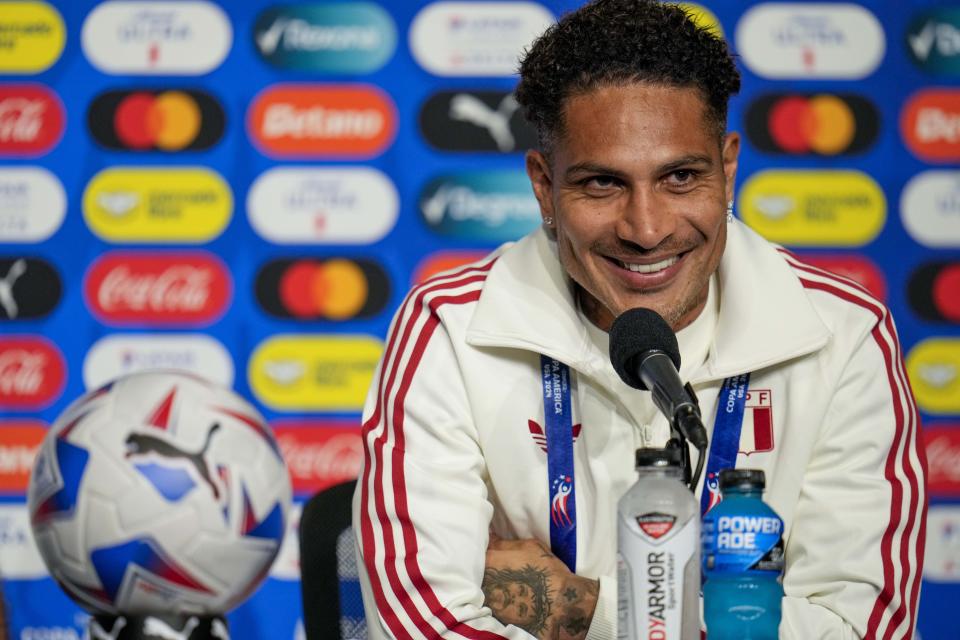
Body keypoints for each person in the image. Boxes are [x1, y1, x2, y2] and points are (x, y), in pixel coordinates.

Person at [352, 0, 927, 638]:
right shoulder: (450, 330)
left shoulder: (843, 334)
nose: (646, 229)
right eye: (602, 184)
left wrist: (582, 607)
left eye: (681, 176)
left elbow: (861, 627)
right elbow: (426, 627)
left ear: (729, 169)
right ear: (544, 187)